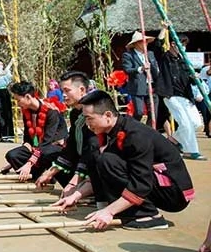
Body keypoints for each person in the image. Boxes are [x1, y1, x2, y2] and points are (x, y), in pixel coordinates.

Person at [54, 90, 195, 230]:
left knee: (107, 160)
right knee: (97, 156)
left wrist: (109, 212)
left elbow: (142, 182)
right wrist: (75, 196)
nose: (87, 123)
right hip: (151, 182)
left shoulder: (136, 135)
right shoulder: (112, 130)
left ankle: (148, 216)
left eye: (89, 118)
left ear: (108, 115)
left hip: (173, 193)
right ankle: (114, 207)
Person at [35, 71, 98, 192]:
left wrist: (75, 181)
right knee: (50, 153)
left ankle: (86, 189)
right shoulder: (75, 113)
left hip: (96, 160)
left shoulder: (95, 112)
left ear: (82, 89)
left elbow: (92, 147)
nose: (63, 95)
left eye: (67, 91)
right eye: (62, 91)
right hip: (82, 157)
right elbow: (72, 144)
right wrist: (49, 173)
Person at [152, 30, 205, 160]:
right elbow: (156, 47)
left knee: (196, 123)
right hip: (171, 95)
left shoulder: (184, 61)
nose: (184, 47)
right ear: (173, 44)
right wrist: (164, 30)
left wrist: (195, 77)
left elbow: (190, 80)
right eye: (181, 44)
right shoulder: (165, 57)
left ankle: (173, 140)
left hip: (186, 96)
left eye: (185, 45)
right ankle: (191, 151)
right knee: (185, 123)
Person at [1, 81, 68, 184]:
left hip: (53, 147)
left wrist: (29, 163)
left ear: (28, 97)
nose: (18, 103)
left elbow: (47, 142)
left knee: (46, 152)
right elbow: (28, 139)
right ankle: (34, 174)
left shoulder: (51, 111)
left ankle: (49, 175)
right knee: (12, 155)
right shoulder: (26, 111)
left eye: (18, 100)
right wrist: (11, 163)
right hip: (38, 147)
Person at [121, 31, 159, 124]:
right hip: (137, 87)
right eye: (143, 41)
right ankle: (132, 126)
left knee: (153, 113)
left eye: (146, 41)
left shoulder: (150, 54)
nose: (145, 43)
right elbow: (127, 69)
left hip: (151, 85)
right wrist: (140, 69)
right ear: (136, 43)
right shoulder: (128, 55)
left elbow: (155, 67)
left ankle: (148, 132)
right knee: (139, 112)